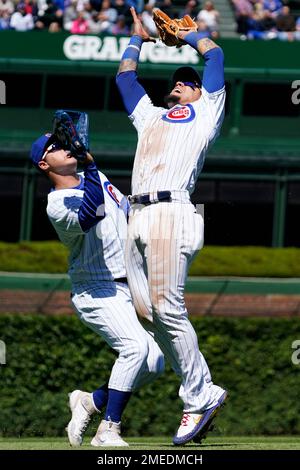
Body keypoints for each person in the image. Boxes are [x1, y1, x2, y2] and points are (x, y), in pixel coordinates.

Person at [116, 7, 227, 445]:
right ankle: (203, 390)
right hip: (137, 214)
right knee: (146, 313)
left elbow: (214, 59)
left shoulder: (207, 114)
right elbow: (126, 81)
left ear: (202, 92)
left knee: (167, 308)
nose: (182, 82)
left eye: (189, 80)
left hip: (173, 210)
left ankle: (199, 397)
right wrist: (137, 38)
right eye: (178, 79)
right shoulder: (151, 116)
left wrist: (192, 35)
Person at [30, 122, 164, 447]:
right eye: (57, 146)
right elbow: (90, 214)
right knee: (135, 348)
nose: (66, 147)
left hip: (127, 285)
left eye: (67, 142)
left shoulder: (97, 177)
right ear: (44, 164)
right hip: (96, 290)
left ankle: (89, 401)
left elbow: (125, 210)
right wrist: (90, 165)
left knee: (155, 360)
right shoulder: (57, 203)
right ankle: (108, 430)